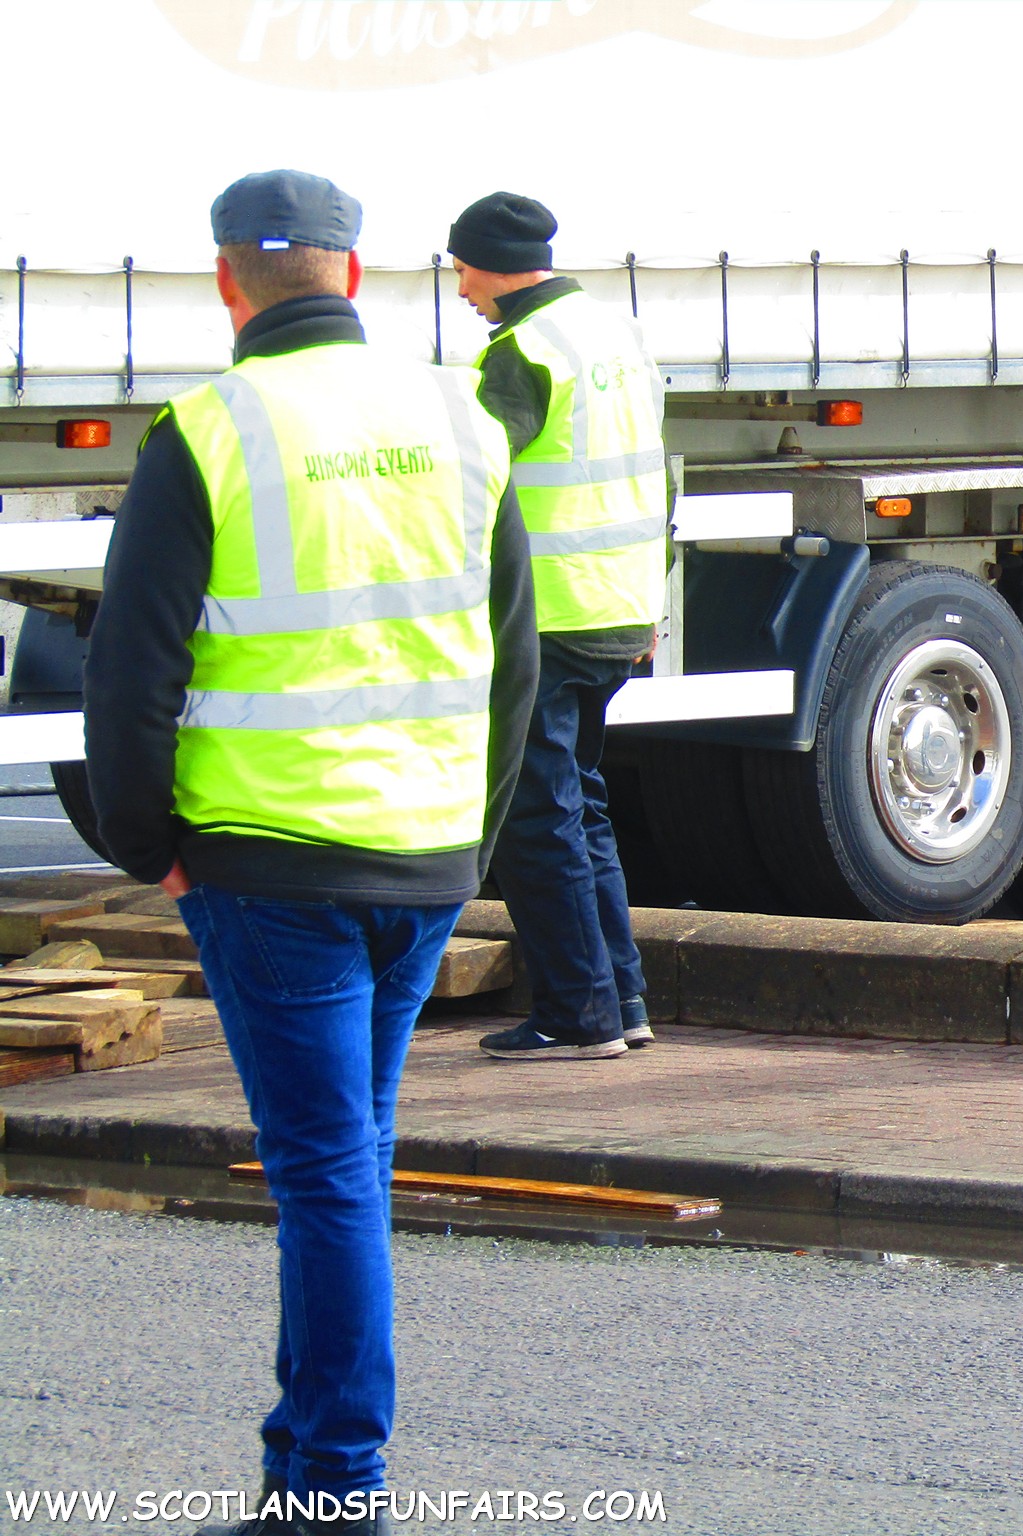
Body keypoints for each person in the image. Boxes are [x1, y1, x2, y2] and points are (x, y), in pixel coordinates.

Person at [83, 170, 539, 1534]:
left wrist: (142, 841)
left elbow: (132, 670)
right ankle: (306, 1469)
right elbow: (512, 658)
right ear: (355, 272)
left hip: (271, 864)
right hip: (418, 859)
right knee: (350, 1160)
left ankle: (336, 1490)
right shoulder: (458, 421)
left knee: (327, 1176)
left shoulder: (210, 430)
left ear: (227, 280)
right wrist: (475, 834)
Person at [447, 192, 669, 1061]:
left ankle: (577, 1016)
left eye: (462, 267)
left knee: (538, 819)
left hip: (546, 615)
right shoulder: (618, 337)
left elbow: (468, 484)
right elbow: (658, 481)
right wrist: (653, 600)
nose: (461, 287)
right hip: (616, 608)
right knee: (582, 809)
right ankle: (623, 1000)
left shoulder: (521, 355)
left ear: (495, 264)